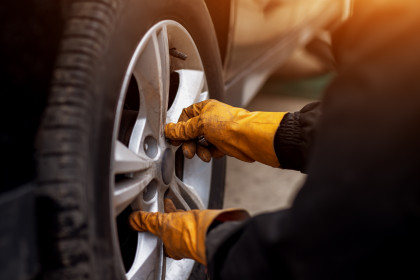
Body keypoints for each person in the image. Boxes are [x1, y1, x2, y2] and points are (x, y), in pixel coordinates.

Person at [128, 1, 420, 279]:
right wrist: (257, 131)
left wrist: (217, 241)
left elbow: (323, 251)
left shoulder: (399, 23)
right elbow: (385, 132)